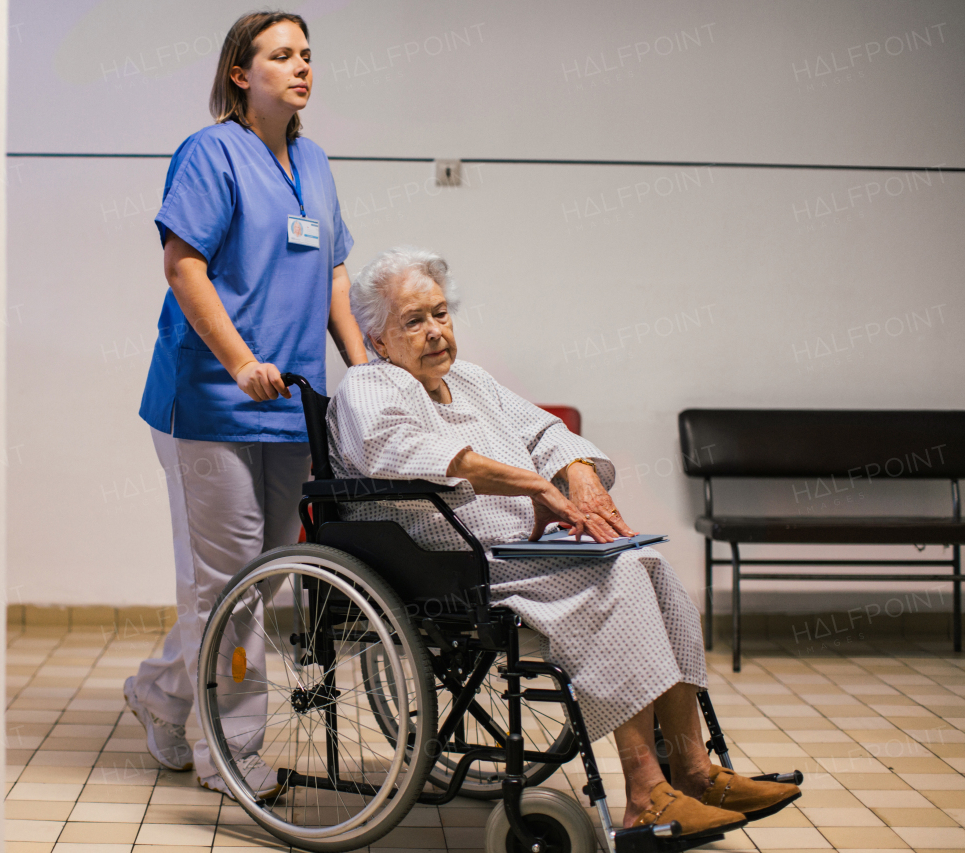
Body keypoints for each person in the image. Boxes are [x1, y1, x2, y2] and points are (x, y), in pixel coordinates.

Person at [326, 247, 800, 836]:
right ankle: (646, 793)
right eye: (413, 321)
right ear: (376, 338)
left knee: (647, 564)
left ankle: (695, 772)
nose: (435, 332)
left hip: (517, 555)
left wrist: (575, 469)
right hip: (448, 565)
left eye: (441, 314)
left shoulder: (468, 380)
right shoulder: (370, 386)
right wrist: (532, 483)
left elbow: (545, 430)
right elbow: (399, 453)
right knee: (620, 579)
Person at [124, 11, 368, 798]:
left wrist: (363, 370)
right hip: (211, 403)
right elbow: (183, 266)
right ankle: (230, 750)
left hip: (292, 403)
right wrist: (239, 362)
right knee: (227, 582)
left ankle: (159, 691)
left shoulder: (317, 163)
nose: (301, 67)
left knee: (257, 580)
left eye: (307, 55)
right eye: (280, 55)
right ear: (241, 72)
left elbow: (333, 273)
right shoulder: (210, 153)